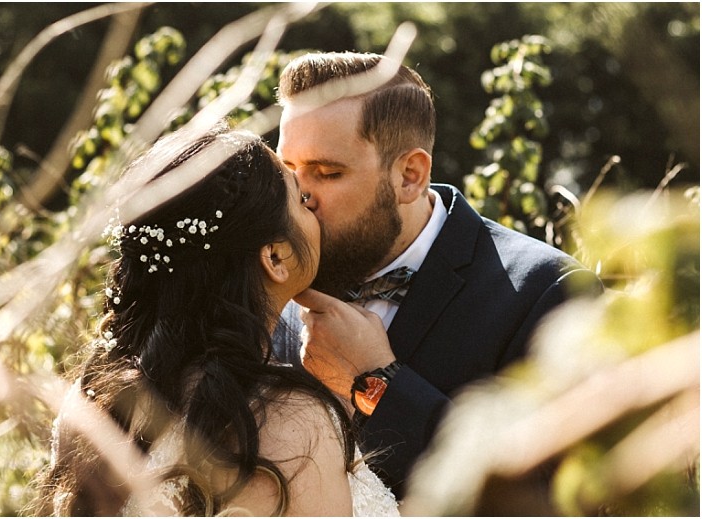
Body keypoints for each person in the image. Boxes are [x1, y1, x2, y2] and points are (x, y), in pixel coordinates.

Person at [272, 51, 603, 498]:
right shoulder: (274, 278)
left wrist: (374, 384)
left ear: (410, 175)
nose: (301, 197)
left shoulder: (549, 292)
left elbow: (549, 499)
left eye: (328, 173)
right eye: (289, 171)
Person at [32, 126, 399, 516]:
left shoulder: (92, 401)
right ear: (274, 258)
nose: (315, 207)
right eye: (302, 199)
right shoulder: (291, 424)